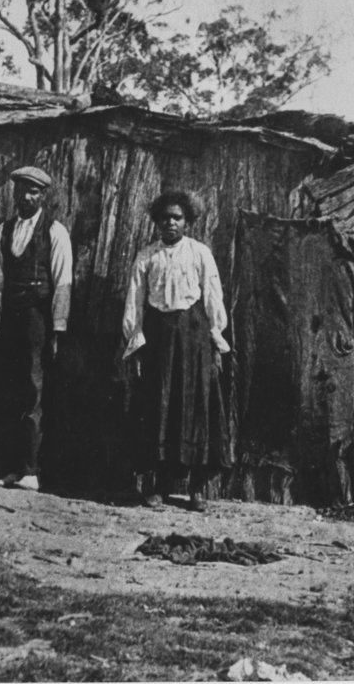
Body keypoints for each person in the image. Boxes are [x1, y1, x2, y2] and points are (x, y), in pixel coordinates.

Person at [122, 190, 231, 512]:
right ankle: (158, 486)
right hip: (158, 340)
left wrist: (215, 340)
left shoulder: (200, 253)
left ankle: (197, 489)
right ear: (156, 221)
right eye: (165, 217)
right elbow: (134, 302)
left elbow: (213, 298)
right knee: (159, 408)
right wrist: (137, 342)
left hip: (193, 338)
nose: (170, 222)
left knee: (195, 408)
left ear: (187, 222)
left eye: (177, 217)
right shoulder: (147, 256)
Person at [0, 166, 73, 492]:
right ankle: (9, 467)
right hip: (10, 319)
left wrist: (58, 327)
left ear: (43, 196)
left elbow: (63, 282)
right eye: (21, 190)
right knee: (8, 390)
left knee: (33, 390)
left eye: (33, 191)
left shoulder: (55, 232)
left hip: (37, 320)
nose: (26, 196)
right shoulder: (3, 231)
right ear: (14, 192)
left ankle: (31, 469)